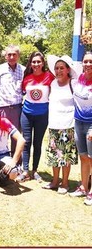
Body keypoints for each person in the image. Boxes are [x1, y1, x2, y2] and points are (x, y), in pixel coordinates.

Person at [15, 51, 54, 183]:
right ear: (30, 64)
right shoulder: (27, 78)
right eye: (34, 62)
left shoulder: (50, 77)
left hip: (42, 115)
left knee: (37, 143)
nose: (36, 64)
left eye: (38, 61)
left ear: (43, 63)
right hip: (26, 113)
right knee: (26, 142)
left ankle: (35, 170)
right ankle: (25, 171)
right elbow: (23, 93)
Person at [44, 55, 79, 194]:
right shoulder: (53, 83)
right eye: (56, 68)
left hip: (68, 125)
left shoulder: (73, 83)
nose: (59, 71)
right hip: (53, 124)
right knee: (54, 155)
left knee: (65, 156)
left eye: (62, 68)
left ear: (68, 69)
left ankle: (64, 183)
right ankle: (55, 180)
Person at [0, 45, 25, 156]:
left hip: (17, 109)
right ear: (5, 56)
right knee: (1, 136)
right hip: (2, 108)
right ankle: (2, 161)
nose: (11, 57)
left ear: (18, 56)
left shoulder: (23, 70)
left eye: (14, 54)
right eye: (9, 54)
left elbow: (25, 90)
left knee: (16, 137)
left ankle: (16, 163)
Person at [70, 51, 92, 204]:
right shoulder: (79, 78)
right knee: (83, 156)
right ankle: (84, 186)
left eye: (91, 62)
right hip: (78, 122)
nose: (88, 64)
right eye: (86, 61)